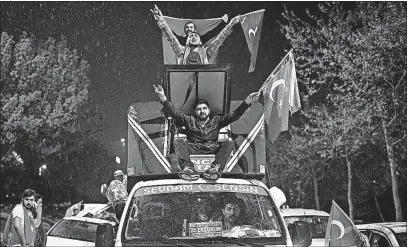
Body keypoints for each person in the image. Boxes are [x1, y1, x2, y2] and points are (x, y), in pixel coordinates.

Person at [154, 84, 260, 180]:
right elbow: (175, 113)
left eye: (204, 108)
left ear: (209, 111)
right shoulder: (189, 119)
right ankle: (188, 168)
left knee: (229, 142)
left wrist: (247, 101)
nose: (202, 111)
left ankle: (215, 168)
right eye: (199, 109)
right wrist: (162, 97)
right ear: (195, 112)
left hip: (212, 148)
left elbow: (234, 115)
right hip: (194, 148)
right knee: (178, 141)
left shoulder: (217, 121)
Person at [152, 5, 241, 65]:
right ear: (186, 42)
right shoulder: (181, 52)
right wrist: (161, 21)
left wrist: (230, 24)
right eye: (190, 36)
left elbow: (219, 39)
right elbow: (171, 38)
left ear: (201, 42)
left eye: (196, 35)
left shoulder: (206, 53)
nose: (193, 36)